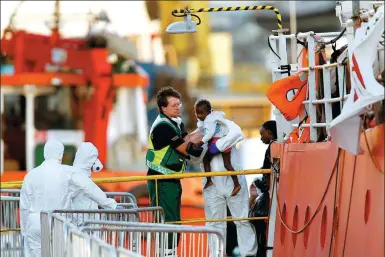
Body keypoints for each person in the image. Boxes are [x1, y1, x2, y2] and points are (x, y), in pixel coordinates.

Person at [20, 139, 118, 257]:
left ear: (45, 153)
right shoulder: (68, 172)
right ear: (61, 155)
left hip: (35, 222)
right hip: (57, 222)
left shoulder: (30, 175)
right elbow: (90, 189)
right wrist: (111, 204)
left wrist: (24, 230)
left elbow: (24, 206)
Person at [146, 87, 204, 256]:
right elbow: (188, 149)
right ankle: (167, 252)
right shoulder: (163, 127)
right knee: (167, 217)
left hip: (171, 178)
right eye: (174, 105)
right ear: (163, 108)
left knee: (174, 217)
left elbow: (187, 139)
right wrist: (205, 137)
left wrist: (205, 129)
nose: (178, 107)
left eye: (178, 104)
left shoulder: (175, 123)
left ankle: (170, 251)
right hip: (160, 179)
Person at [192, 118, 257, 257]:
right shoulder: (201, 133)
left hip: (230, 184)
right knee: (215, 221)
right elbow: (194, 157)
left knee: (241, 219)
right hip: (214, 185)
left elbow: (237, 133)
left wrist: (216, 147)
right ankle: (218, 253)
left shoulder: (228, 128)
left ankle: (248, 253)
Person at [193, 99, 241, 196]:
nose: (198, 116)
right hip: (224, 142)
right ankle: (236, 184)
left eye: (201, 113)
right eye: (197, 113)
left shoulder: (208, 119)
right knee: (228, 165)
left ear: (208, 112)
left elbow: (209, 134)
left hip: (217, 143)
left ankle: (209, 180)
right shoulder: (215, 115)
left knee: (205, 157)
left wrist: (200, 143)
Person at [65, 142, 118, 225]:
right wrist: (112, 205)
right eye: (95, 158)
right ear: (90, 159)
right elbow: (92, 191)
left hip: (85, 223)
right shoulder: (78, 175)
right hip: (80, 223)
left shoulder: (79, 174)